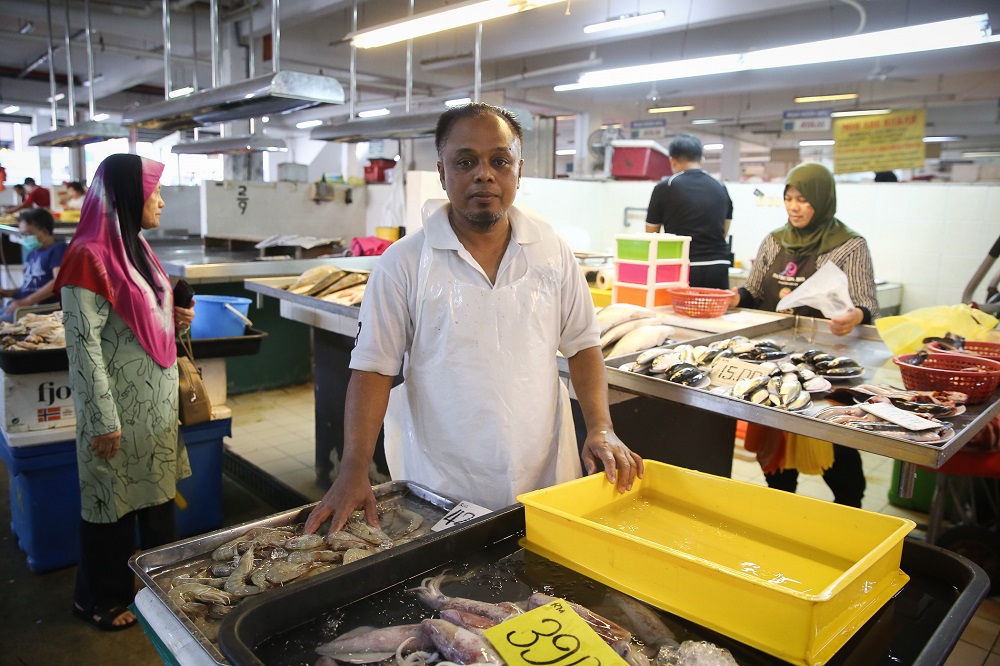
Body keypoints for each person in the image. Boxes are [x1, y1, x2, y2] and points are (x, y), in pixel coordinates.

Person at [304, 103, 643, 534]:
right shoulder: (404, 263)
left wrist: (600, 427)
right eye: (465, 161)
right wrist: (352, 469)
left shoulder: (551, 252)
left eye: (499, 161)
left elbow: (582, 344)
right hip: (440, 477)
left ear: (518, 171)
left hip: (542, 468)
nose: (484, 174)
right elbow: (373, 367)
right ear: (443, 173)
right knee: (447, 590)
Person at [55, 154, 195, 631]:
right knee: (109, 508)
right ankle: (104, 600)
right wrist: (101, 419)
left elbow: (146, 314)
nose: (160, 199)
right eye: (154, 190)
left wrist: (174, 317)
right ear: (130, 196)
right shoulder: (87, 257)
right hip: (116, 409)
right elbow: (83, 344)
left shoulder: (134, 245)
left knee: (155, 504)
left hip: (153, 409)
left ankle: (150, 596)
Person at [729, 162, 879, 507]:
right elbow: (752, 291)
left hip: (827, 370)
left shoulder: (849, 245)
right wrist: (735, 297)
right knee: (777, 461)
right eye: (789, 198)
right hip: (774, 364)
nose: (794, 207)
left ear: (823, 200)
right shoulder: (774, 240)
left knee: (839, 463)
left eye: (804, 200)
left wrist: (853, 316)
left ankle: (850, 520)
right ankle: (784, 514)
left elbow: (866, 303)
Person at [645, 134, 733, 289]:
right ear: (701, 160)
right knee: (715, 312)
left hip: (681, 266)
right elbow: (724, 229)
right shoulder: (720, 186)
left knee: (676, 313)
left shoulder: (666, 187)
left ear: (672, 160)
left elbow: (652, 234)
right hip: (718, 265)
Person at [0, 208, 68, 321]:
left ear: (45, 232)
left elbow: (58, 281)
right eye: (23, 235)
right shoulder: (33, 253)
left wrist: (26, 302)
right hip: (23, 306)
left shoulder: (58, 249)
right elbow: (29, 288)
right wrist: (8, 292)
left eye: (28, 234)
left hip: (39, 308)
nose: (25, 238)